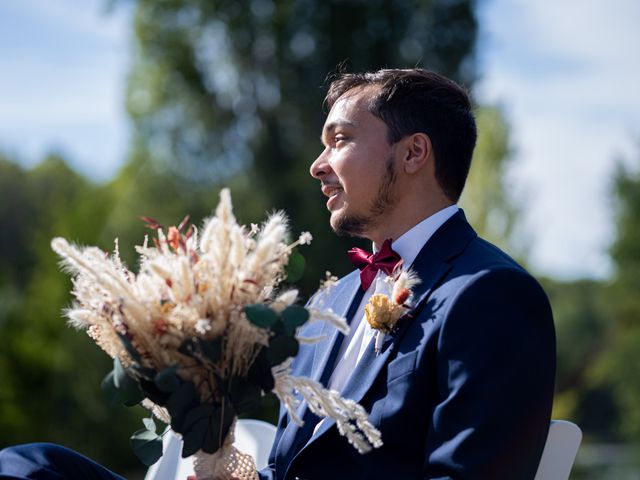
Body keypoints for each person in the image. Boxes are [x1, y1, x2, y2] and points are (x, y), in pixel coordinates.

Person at [259, 68, 555, 480]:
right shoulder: (323, 305)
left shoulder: (492, 294)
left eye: (340, 140)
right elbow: (286, 468)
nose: (317, 165)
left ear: (414, 153)